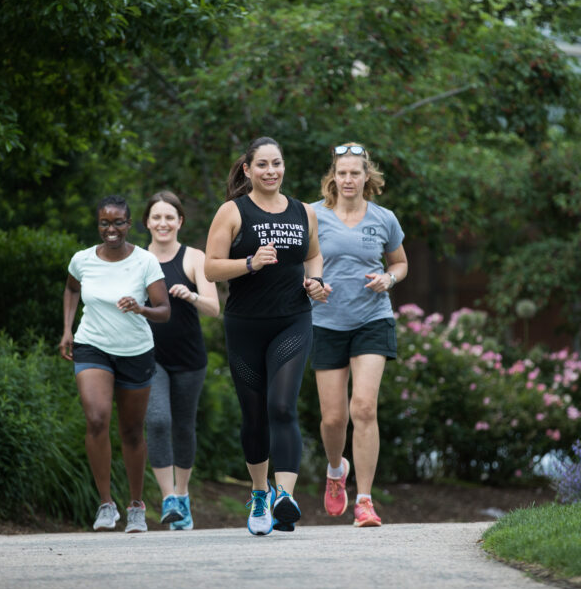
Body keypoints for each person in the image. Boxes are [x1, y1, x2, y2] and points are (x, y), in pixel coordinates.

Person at [204, 136, 331, 536]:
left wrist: (316, 281)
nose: (271, 171)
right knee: (255, 414)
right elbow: (210, 268)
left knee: (282, 406)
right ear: (248, 169)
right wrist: (249, 262)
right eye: (262, 165)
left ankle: (284, 497)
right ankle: (259, 493)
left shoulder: (303, 211)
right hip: (245, 325)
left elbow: (312, 254)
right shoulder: (233, 211)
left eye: (276, 163)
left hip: (292, 320)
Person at [309, 142, 408, 527]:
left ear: (368, 177)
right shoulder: (312, 215)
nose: (348, 179)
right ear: (333, 176)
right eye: (342, 172)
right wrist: (310, 284)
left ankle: (364, 501)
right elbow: (300, 265)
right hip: (325, 321)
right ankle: (337, 471)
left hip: (372, 318)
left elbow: (400, 263)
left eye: (355, 172)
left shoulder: (384, 218)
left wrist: (388, 278)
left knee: (363, 407)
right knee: (333, 419)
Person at [59, 195, 171, 533]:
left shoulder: (145, 261)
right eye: (105, 223)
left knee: (132, 430)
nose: (111, 229)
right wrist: (67, 329)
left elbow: (164, 310)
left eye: (118, 222)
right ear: (98, 225)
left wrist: (141, 308)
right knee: (96, 419)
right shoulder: (82, 260)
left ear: (129, 223)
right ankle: (105, 504)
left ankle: (136, 504)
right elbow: (71, 289)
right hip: (92, 345)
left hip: (135, 351)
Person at [143, 191, 220, 531]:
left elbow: (215, 308)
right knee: (158, 421)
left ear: (180, 221)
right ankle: (169, 499)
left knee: (184, 426)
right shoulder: (136, 259)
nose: (163, 223)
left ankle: (183, 495)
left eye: (169, 217)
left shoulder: (194, 258)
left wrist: (191, 295)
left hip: (190, 358)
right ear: (147, 222)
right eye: (156, 217)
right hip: (149, 356)